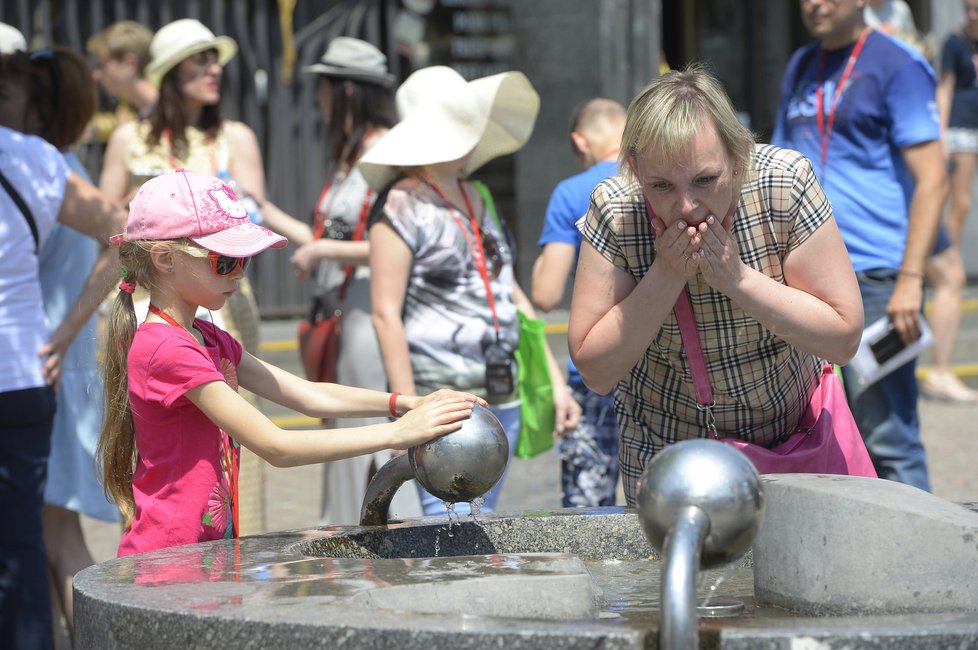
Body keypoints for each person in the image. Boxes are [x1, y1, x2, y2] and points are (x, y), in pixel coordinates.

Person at [98, 169, 481, 556]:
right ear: (166, 259)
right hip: (169, 561)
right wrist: (397, 434)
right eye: (226, 261)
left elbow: (308, 396)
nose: (241, 273)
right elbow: (276, 446)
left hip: (202, 554)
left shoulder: (206, 336)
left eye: (245, 260)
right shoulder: (167, 348)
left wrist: (405, 404)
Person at [567, 65, 864, 506]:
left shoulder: (783, 184)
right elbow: (595, 370)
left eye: (705, 180)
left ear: (739, 157)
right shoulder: (616, 208)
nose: (686, 206)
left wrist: (737, 278)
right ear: (634, 168)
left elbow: (842, 338)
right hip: (670, 455)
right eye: (661, 186)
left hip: (795, 441)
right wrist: (666, 274)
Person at [361, 65, 580, 516]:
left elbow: (509, 289)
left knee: (479, 522)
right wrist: (410, 413)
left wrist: (556, 382)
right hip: (440, 398)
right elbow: (385, 313)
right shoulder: (400, 205)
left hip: (502, 392)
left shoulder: (477, 192)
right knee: (449, 526)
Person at [98, 17, 269, 534]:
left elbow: (259, 208)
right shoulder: (128, 136)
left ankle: (241, 552)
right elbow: (106, 220)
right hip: (158, 292)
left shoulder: (234, 136)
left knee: (240, 438)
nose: (214, 69)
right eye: (201, 60)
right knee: (163, 444)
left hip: (223, 296)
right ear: (171, 72)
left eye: (215, 59)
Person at [773, 0, 947, 490]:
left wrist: (910, 281)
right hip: (806, 274)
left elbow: (933, 181)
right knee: (818, 430)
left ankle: (917, 560)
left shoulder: (897, 64)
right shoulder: (802, 64)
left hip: (875, 275)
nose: (816, 4)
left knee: (887, 434)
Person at [254, 37, 417, 523]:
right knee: (350, 425)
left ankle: (380, 538)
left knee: (366, 428)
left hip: (367, 311)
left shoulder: (385, 153)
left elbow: (398, 246)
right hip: (342, 310)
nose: (318, 100)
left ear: (346, 91)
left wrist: (322, 248)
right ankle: (354, 538)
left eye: (323, 88)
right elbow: (325, 235)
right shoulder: (351, 156)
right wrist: (266, 214)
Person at [0, 45, 122, 644]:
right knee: (42, 540)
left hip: (47, 363)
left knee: (54, 538)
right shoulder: (55, 166)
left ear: (33, 107)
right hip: (51, 365)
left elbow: (124, 236)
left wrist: (67, 330)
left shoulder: (44, 166)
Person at [531, 97, 626, 508]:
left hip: (595, 373)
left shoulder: (572, 192)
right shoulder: (661, 180)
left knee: (590, 516)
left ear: (580, 141)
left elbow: (546, 295)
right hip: (664, 371)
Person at [923, 0, 978, 402]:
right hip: (958, 130)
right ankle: (948, 259)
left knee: (963, 203)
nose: (973, 15)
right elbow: (944, 90)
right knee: (959, 203)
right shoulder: (956, 43)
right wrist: (939, 135)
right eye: (969, 9)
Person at [85, 20, 158, 144]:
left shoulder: (169, 108)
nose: (96, 75)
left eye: (102, 66)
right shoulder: (128, 108)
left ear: (129, 64)